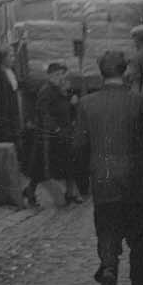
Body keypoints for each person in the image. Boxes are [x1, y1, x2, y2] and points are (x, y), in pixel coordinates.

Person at [71, 49, 143, 285]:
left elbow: (79, 146)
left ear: (101, 71)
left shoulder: (86, 104)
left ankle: (108, 270)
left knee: (107, 232)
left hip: (104, 182)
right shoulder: (141, 103)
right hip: (136, 184)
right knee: (141, 243)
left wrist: (83, 181)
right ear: (125, 70)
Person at [30, 62, 83, 205]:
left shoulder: (58, 90)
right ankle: (30, 191)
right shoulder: (46, 91)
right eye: (57, 74)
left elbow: (64, 110)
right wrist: (56, 129)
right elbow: (43, 113)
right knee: (41, 167)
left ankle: (70, 192)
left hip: (62, 134)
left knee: (69, 162)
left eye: (61, 74)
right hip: (49, 135)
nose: (60, 77)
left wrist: (71, 103)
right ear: (50, 75)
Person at [0, 46, 23, 151]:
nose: (13, 59)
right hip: (8, 121)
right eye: (11, 56)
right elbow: (4, 102)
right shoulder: (1, 75)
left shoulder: (10, 72)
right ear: (3, 58)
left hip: (14, 118)